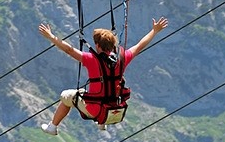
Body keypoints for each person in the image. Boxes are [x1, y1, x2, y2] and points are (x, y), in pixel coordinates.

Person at [38, 17, 169, 135]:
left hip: (96, 110)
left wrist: (51, 36)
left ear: (97, 45)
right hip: (116, 109)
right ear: (113, 45)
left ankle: (52, 127)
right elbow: (139, 46)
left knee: (66, 96)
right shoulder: (123, 58)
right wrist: (155, 31)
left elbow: (69, 50)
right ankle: (102, 124)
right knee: (94, 92)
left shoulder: (91, 59)